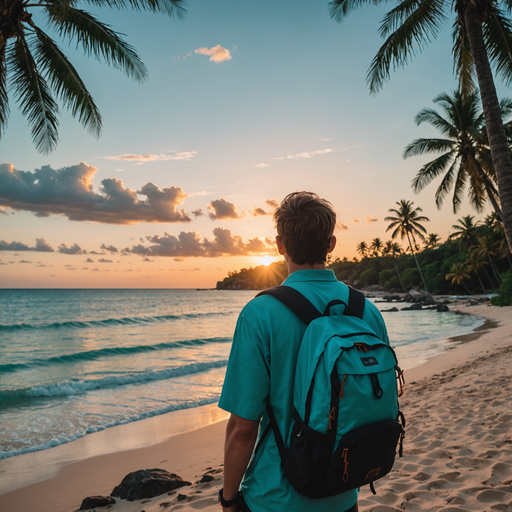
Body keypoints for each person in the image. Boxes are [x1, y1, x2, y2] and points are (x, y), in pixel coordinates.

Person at [217, 191, 390, 512]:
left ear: (280, 244)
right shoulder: (366, 311)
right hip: (343, 489)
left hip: (276, 497)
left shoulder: (260, 313)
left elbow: (242, 429)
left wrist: (228, 499)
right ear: (331, 243)